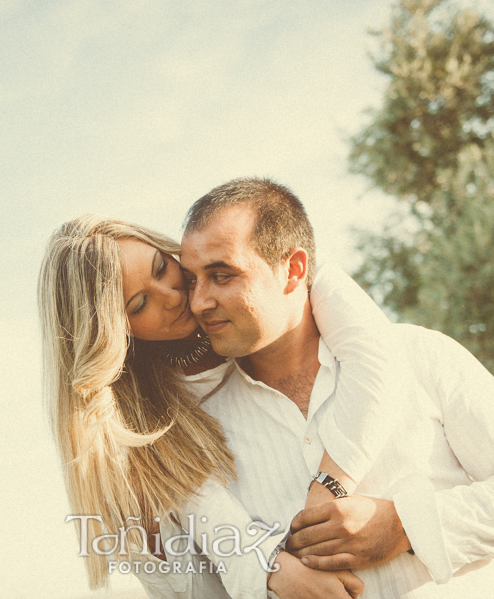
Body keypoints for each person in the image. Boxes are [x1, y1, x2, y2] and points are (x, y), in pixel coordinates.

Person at [177, 177, 494, 597]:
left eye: (222, 275)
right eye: (191, 280)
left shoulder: (420, 355)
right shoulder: (202, 428)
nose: (199, 301)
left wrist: (404, 526)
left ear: (293, 269)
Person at [38, 214, 406, 598]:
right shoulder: (142, 426)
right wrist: (267, 569)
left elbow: (377, 356)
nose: (173, 296)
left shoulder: (266, 274)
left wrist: (331, 485)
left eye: (162, 267)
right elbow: (202, 509)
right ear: (113, 332)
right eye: (140, 303)